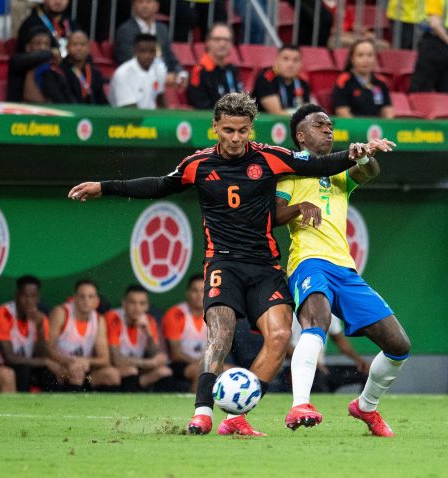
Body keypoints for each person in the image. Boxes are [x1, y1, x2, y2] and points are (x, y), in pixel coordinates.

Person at [68, 92, 393, 436]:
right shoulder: (198, 164)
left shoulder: (270, 157)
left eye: (242, 130)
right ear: (215, 128)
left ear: (251, 128)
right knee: (220, 334)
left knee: (281, 335)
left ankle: (237, 417)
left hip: (265, 267)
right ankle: (203, 412)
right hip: (222, 264)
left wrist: (358, 152)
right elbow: (159, 185)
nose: (235, 138)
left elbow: (318, 164)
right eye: (228, 131)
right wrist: (104, 187)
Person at [275, 103, 410, 436]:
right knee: (317, 321)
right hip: (308, 260)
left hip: (345, 269)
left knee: (398, 345)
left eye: (331, 124)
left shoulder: (337, 173)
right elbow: (273, 215)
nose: (328, 129)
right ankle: (300, 404)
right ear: (300, 135)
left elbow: (370, 172)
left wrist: (362, 156)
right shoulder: (290, 173)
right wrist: (299, 208)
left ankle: (365, 406)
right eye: (319, 124)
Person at [0, 275, 60, 392]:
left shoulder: (40, 318)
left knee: (49, 372)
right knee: (24, 368)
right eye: (25, 296)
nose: (29, 301)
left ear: (38, 298)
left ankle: (50, 407)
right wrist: (46, 362)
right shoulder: (2, 314)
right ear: (17, 296)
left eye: (33, 296)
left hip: (21, 367)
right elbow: (9, 358)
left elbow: (42, 354)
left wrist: (40, 328)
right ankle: (21, 407)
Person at [48, 280, 121, 391]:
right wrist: (71, 362)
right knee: (76, 371)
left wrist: (86, 361)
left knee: (113, 374)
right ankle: (69, 406)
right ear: (75, 298)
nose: (86, 301)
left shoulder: (99, 320)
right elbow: (48, 349)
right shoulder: (61, 313)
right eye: (82, 296)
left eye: (91, 297)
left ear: (96, 300)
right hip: (60, 373)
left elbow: (104, 359)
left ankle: (103, 408)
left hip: (87, 377)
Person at [105, 284, 172, 391]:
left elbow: (157, 354)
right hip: (115, 369)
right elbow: (116, 360)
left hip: (137, 370)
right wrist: (149, 363)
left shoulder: (149, 320)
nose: (137, 308)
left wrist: (148, 333)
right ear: (124, 303)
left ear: (147, 306)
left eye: (142, 303)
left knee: (164, 371)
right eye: (132, 302)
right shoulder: (113, 318)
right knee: (130, 371)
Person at [113, 0, 187, 88]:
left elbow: (171, 58)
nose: (144, 6)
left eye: (148, 2)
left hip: (164, 81)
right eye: (140, 2)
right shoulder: (125, 31)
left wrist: (181, 74)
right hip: (138, 84)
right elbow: (129, 62)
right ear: (134, 6)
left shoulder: (162, 29)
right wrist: (161, 77)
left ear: (157, 6)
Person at [408, 0, 448, 101]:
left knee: (419, 96)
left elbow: (435, 24)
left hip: (439, 45)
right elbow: (435, 24)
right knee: (446, 98)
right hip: (447, 45)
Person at [161, 274, 207, 391]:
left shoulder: (214, 314)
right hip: (179, 364)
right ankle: (197, 406)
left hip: (204, 362)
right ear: (187, 293)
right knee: (201, 371)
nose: (199, 295)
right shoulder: (176, 314)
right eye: (195, 290)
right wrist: (202, 363)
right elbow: (176, 354)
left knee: (231, 370)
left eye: (203, 290)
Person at [39, 30, 108, 105]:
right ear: (67, 48)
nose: (79, 48)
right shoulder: (57, 72)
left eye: (82, 44)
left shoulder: (95, 73)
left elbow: (102, 101)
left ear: (88, 48)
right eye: (75, 44)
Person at [186, 23, 243, 110]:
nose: (222, 44)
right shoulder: (199, 72)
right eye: (217, 39)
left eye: (227, 40)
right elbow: (200, 106)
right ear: (208, 42)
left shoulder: (231, 70)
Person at [332, 39, 394, 119]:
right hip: (352, 128)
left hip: (375, 129)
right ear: (352, 59)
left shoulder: (381, 83)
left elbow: (388, 111)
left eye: (370, 55)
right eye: (360, 55)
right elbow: (342, 112)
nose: (366, 60)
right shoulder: (343, 81)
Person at [109, 33, 167, 109]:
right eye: (143, 51)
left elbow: (160, 98)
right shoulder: (122, 74)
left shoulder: (159, 70)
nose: (148, 56)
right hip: (124, 118)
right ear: (135, 51)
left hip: (149, 117)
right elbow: (129, 109)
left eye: (152, 51)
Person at [251, 45, 312, 115]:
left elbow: (307, 113)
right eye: (285, 59)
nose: (290, 64)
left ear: (301, 64)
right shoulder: (266, 79)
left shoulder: (302, 83)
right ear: (276, 61)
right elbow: (277, 113)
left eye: (295, 60)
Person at [7, 26, 61, 102]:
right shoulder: (17, 60)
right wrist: (50, 53)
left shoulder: (50, 65)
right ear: (28, 47)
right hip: (20, 109)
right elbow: (35, 58)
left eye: (46, 44)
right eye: (38, 43)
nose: (42, 47)